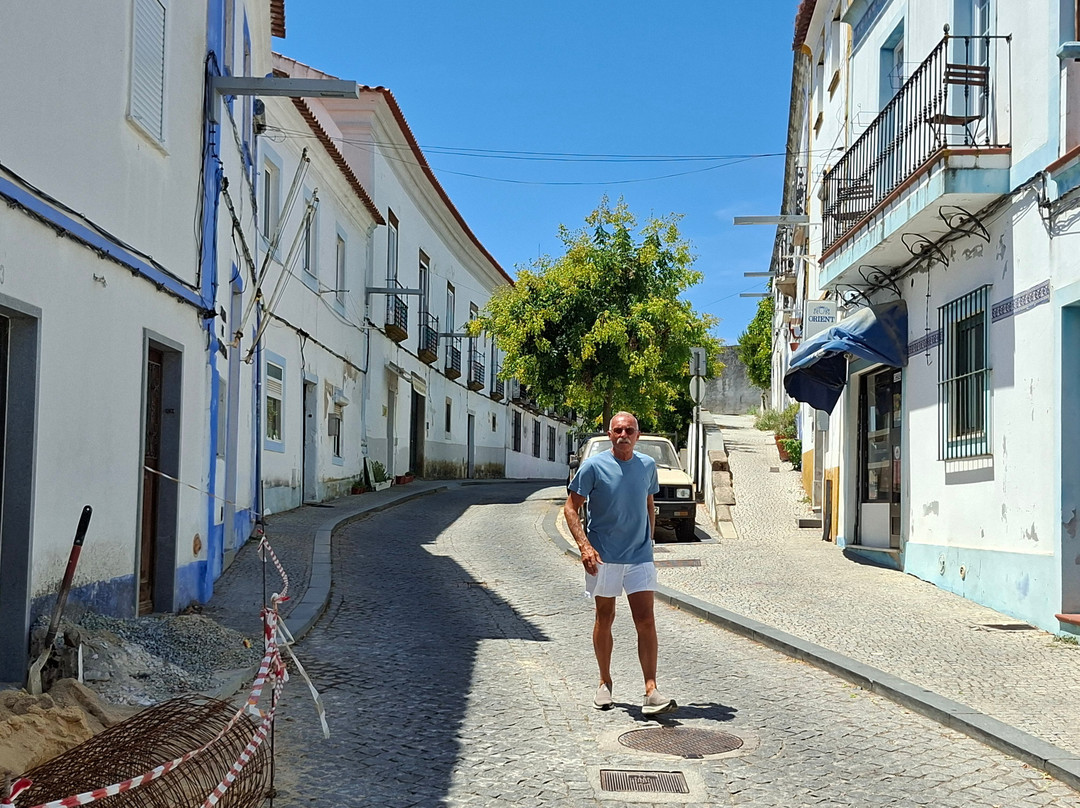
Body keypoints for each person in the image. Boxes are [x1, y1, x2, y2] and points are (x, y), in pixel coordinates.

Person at [564, 411, 676, 716]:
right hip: (603, 556)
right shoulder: (593, 467)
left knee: (647, 620)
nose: (623, 435)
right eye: (617, 430)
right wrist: (584, 547)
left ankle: (651, 690)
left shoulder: (648, 466)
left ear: (637, 436)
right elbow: (571, 508)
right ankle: (604, 682)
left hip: (639, 556)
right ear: (609, 434)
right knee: (605, 616)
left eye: (629, 430)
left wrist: (648, 542)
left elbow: (649, 504)